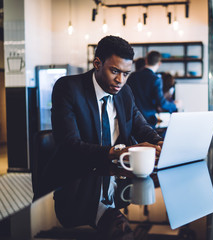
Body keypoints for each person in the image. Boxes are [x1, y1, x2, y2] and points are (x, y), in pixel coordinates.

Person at [38, 35, 163, 229]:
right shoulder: (68, 88)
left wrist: (159, 143)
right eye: (115, 71)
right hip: (74, 181)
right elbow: (69, 144)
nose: (120, 80)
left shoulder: (125, 92)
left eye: (126, 73)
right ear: (97, 63)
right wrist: (120, 152)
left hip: (112, 174)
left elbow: (141, 126)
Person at [126, 51, 180, 128]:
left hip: (132, 119)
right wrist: (175, 105)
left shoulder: (132, 76)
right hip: (148, 120)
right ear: (159, 63)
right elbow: (162, 103)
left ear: (146, 60)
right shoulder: (156, 79)